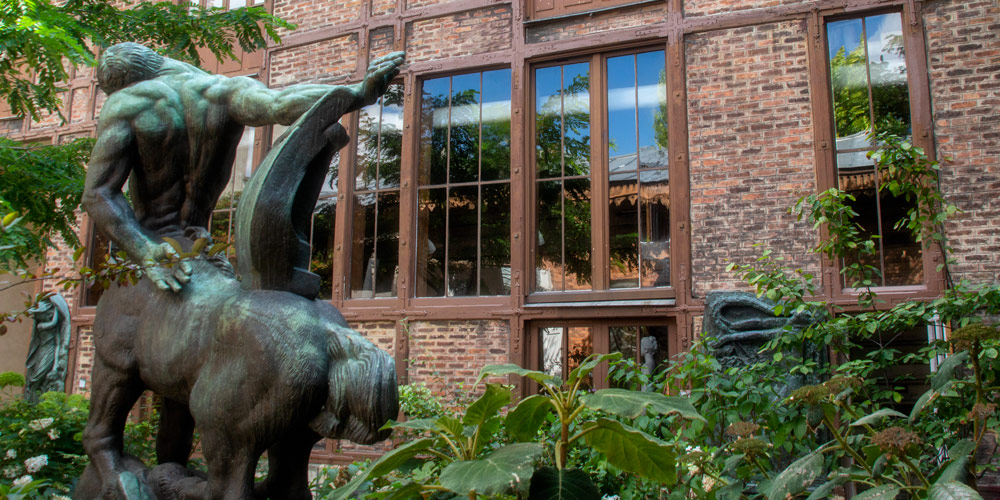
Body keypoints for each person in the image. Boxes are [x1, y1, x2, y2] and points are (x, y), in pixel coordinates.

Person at [83, 42, 403, 293]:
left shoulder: (125, 103)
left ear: (120, 86)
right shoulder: (224, 90)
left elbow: (98, 194)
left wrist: (144, 252)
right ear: (153, 59)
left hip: (158, 249)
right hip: (203, 246)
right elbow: (280, 105)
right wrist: (358, 94)